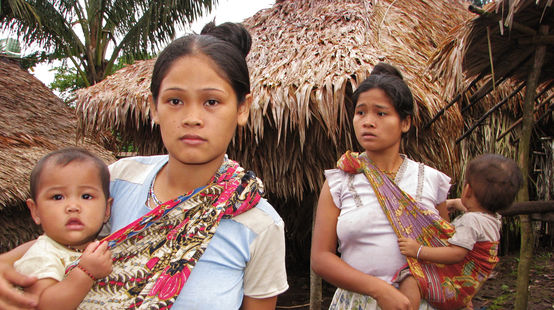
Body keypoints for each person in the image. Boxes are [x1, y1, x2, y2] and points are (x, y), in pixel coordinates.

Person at [0, 21, 288, 310]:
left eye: (211, 102)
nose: (191, 118)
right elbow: (60, 242)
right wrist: (5, 263)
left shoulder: (260, 226)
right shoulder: (119, 179)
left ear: (242, 108)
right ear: (154, 107)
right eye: (175, 100)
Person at [311, 63, 453, 310]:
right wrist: (379, 290)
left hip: (416, 303)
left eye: (381, 113)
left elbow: (446, 250)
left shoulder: (431, 180)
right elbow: (321, 258)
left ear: (405, 122)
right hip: (356, 302)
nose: (367, 122)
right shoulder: (339, 181)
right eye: (360, 112)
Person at [397, 154, 523, 310]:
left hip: (452, 289)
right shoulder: (492, 218)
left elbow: (456, 253)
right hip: (468, 289)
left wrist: (419, 250)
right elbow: (468, 208)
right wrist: (454, 203)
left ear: (468, 190)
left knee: (410, 279)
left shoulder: (470, 222)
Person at [13, 148, 113, 310]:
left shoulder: (103, 249)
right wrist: (85, 273)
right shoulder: (41, 255)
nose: (73, 207)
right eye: (57, 197)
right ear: (35, 211)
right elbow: (43, 305)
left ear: (107, 210)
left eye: (86, 196)